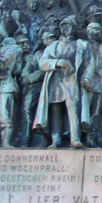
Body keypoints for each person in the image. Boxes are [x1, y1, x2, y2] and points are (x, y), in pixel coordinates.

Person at [34, 15, 90, 149]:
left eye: (68, 26)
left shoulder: (81, 44)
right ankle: (56, 139)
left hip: (72, 80)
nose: (64, 29)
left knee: (73, 109)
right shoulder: (53, 46)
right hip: (56, 80)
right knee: (55, 110)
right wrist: (58, 62)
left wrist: (86, 77)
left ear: (73, 28)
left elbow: (89, 63)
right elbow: (43, 62)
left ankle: (75, 138)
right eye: (62, 26)